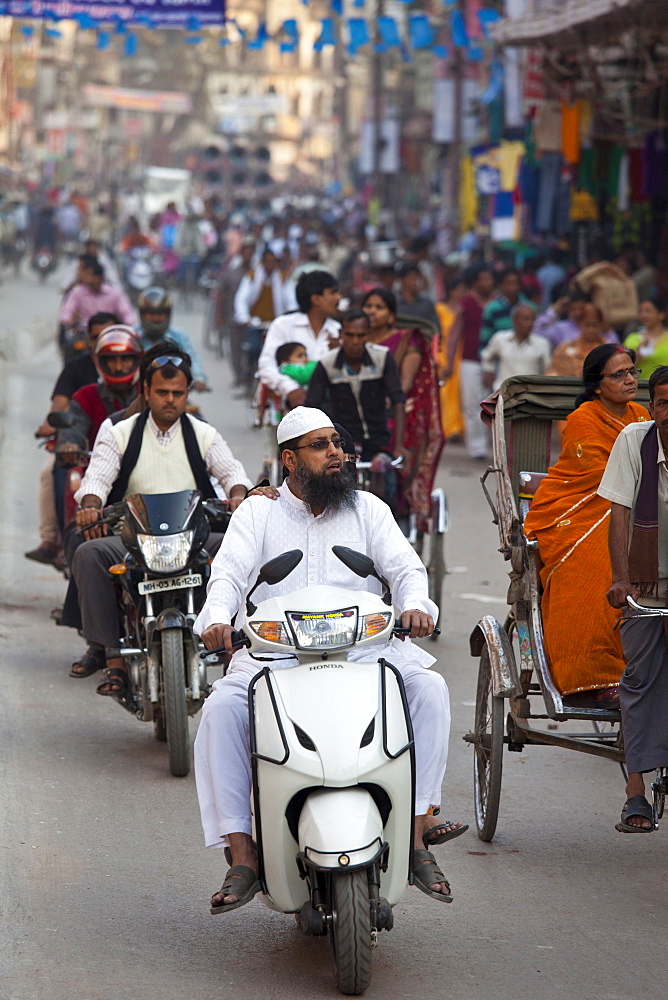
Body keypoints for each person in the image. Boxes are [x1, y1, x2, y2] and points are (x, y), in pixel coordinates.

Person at [194, 407, 464, 913]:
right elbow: (228, 575)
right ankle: (244, 854)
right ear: (289, 459)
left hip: (366, 649)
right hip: (275, 654)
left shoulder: (369, 509)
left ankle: (417, 830)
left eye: (337, 442)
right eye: (319, 445)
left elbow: (406, 567)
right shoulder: (258, 512)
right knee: (221, 711)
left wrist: (414, 606)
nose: (335, 452)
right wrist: (216, 617)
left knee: (430, 689)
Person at [66, 349, 253, 686]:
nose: (170, 400)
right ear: (146, 392)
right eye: (162, 393)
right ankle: (112, 657)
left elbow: (231, 471)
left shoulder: (202, 433)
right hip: (132, 538)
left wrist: (239, 493)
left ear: (186, 394)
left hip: (193, 536)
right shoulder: (119, 433)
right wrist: (90, 504)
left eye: (177, 393)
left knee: (243, 548)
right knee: (88, 553)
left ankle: (236, 649)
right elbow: (97, 477)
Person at [524, 345, 649, 701]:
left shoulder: (641, 414)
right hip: (581, 509)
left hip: (636, 505)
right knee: (599, 560)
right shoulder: (583, 417)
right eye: (619, 374)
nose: (629, 380)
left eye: (631, 372)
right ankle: (593, 671)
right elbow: (597, 476)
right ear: (597, 385)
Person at [599, 365, 668, 831]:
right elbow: (620, 510)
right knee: (640, 679)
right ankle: (636, 792)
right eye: (662, 402)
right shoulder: (635, 440)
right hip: (647, 586)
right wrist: (622, 579)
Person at [25, 312, 120, 567]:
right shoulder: (81, 381)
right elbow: (61, 408)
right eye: (95, 337)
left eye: (124, 359)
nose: (118, 366)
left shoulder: (142, 385)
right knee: (55, 471)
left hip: (127, 456)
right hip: (85, 452)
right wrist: (58, 430)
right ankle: (57, 539)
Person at [362, 287, 444, 531]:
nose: (372, 312)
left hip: (393, 408)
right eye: (368, 306)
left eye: (379, 307)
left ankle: (393, 507)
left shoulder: (408, 341)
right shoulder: (351, 338)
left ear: (390, 315)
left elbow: (404, 385)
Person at [305, 308, 406, 461]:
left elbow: (397, 399)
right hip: (342, 443)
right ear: (341, 334)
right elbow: (312, 406)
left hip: (380, 438)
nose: (355, 342)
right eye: (349, 335)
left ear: (369, 334)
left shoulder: (382, 357)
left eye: (361, 335)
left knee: (382, 470)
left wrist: (399, 445)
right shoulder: (327, 364)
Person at [257, 270, 341, 408]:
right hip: (288, 407)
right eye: (333, 293)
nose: (339, 298)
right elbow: (267, 366)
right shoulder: (283, 325)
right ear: (316, 299)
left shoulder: (337, 330)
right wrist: (291, 390)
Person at [440, 264, 495, 460]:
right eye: (484, 278)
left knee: (496, 406)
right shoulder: (466, 304)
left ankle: (493, 446)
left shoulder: (497, 303)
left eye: (490, 278)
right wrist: (448, 362)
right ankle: (477, 448)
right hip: (470, 360)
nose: (488, 282)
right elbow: (454, 335)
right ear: (475, 282)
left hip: (496, 362)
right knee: (472, 404)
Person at [136, 286, 208, 390]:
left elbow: (192, 359)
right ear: (142, 314)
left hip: (172, 389)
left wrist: (198, 378)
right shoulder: (133, 336)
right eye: (151, 314)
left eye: (160, 314)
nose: (156, 318)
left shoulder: (179, 336)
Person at [481, 303, 552, 391]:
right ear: (515, 320)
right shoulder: (500, 339)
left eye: (533, 320)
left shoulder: (542, 343)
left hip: (531, 394)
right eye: (525, 319)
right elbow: (487, 356)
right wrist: (488, 371)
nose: (530, 323)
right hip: (503, 392)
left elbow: (548, 368)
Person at [60, 257, 136, 329]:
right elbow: (67, 312)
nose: (84, 276)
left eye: (89, 274)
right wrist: (69, 320)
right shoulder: (77, 293)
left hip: (108, 333)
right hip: (84, 334)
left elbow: (127, 313)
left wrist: (129, 323)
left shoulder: (114, 293)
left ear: (99, 277)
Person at [434, 277, 466, 441]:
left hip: (458, 353)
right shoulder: (439, 308)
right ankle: (445, 427)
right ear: (452, 291)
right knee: (444, 392)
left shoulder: (461, 309)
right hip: (443, 352)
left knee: (456, 391)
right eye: (460, 289)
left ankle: (456, 427)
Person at [546, 304, 610, 378]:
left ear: (600, 325)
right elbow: (552, 372)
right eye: (587, 325)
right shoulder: (564, 348)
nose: (590, 330)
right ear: (580, 325)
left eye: (594, 325)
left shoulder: (608, 351)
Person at [479, 268, 532, 351]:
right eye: (509, 284)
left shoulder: (530, 307)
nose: (513, 288)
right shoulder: (492, 309)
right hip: (500, 358)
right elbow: (486, 338)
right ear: (501, 285)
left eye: (516, 283)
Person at [233, 247, 287, 328]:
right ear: (263, 262)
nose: (270, 264)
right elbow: (241, 299)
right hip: (255, 323)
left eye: (272, 261)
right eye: (268, 261)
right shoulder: (252, 277)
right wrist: (244, 318)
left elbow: (290, 300)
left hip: (275, 323)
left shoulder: (283, 278)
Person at [624, 297, 668, 378]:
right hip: (639, 387)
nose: (643, 315)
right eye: (640, 311)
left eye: (648, 311)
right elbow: (623, 368)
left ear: (661, 314)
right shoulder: (632, 339)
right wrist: (638, 354)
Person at [394, 262, 440, 329]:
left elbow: (436, 328)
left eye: (417, 278)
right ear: (402, 280)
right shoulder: (395, 304)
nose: (416, 282)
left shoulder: (427, 304)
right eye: (412, 278)